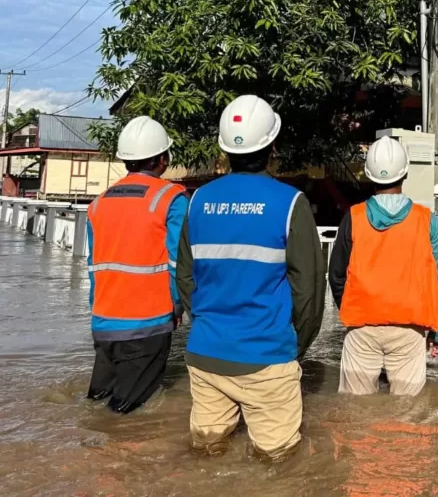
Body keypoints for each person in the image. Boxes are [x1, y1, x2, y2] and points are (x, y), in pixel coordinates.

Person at [176, 95, 325, 459]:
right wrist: (293, 347)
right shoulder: (291, 203)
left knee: (206, 457)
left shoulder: (198, 200)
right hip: (267, 357)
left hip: (205, 355)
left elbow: (185, 277)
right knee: (280, 467)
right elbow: (309, 294)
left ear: (225, 151)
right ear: (273, 146)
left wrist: (212, 323)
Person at [328, 135, 438, 396]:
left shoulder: (353, 216)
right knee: (408, 417)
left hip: (361, 329)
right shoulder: (427, 220)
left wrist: (352, 308)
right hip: (410, 330)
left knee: (355, 416)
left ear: (369, 175)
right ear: (405, 174)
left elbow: (335, 275)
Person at [86, 116, 188, 414]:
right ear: (162, 158)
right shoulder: (171, 198)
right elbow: (177, 261)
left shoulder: (99, 202)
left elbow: (93, 265)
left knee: (97, 403)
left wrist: (98, 311)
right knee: (126, 414)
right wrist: (178, 307)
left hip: (103, 322)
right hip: (148, 323)